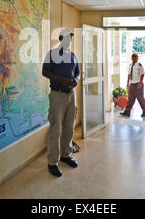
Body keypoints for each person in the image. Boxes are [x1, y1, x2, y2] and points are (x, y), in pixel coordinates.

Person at [42, 28, 80, 177]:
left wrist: (75, 80)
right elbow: (45, 72)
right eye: (66, 39)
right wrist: (61, 80)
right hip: (57, 95)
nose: (69, 41)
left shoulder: (73, 55)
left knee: (69, 127)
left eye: (70, 39)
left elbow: (77, 72)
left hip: (71, 94)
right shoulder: (51, 54)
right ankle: (52, 162)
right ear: (60, 39)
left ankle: (66, 155)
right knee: (56, 129)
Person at [120, 53, 145, 117]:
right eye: (133, 57)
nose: (134, 58)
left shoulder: (139, 65)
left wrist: (140, 83)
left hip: (138, 84)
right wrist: (127, 83)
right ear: (131, 58)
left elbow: (142, 74)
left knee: (140, 99)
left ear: (137, 58)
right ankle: (127, 112)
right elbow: (129, 75)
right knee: (130, 99)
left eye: (135, 57)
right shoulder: (130, 65)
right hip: (132, 84)